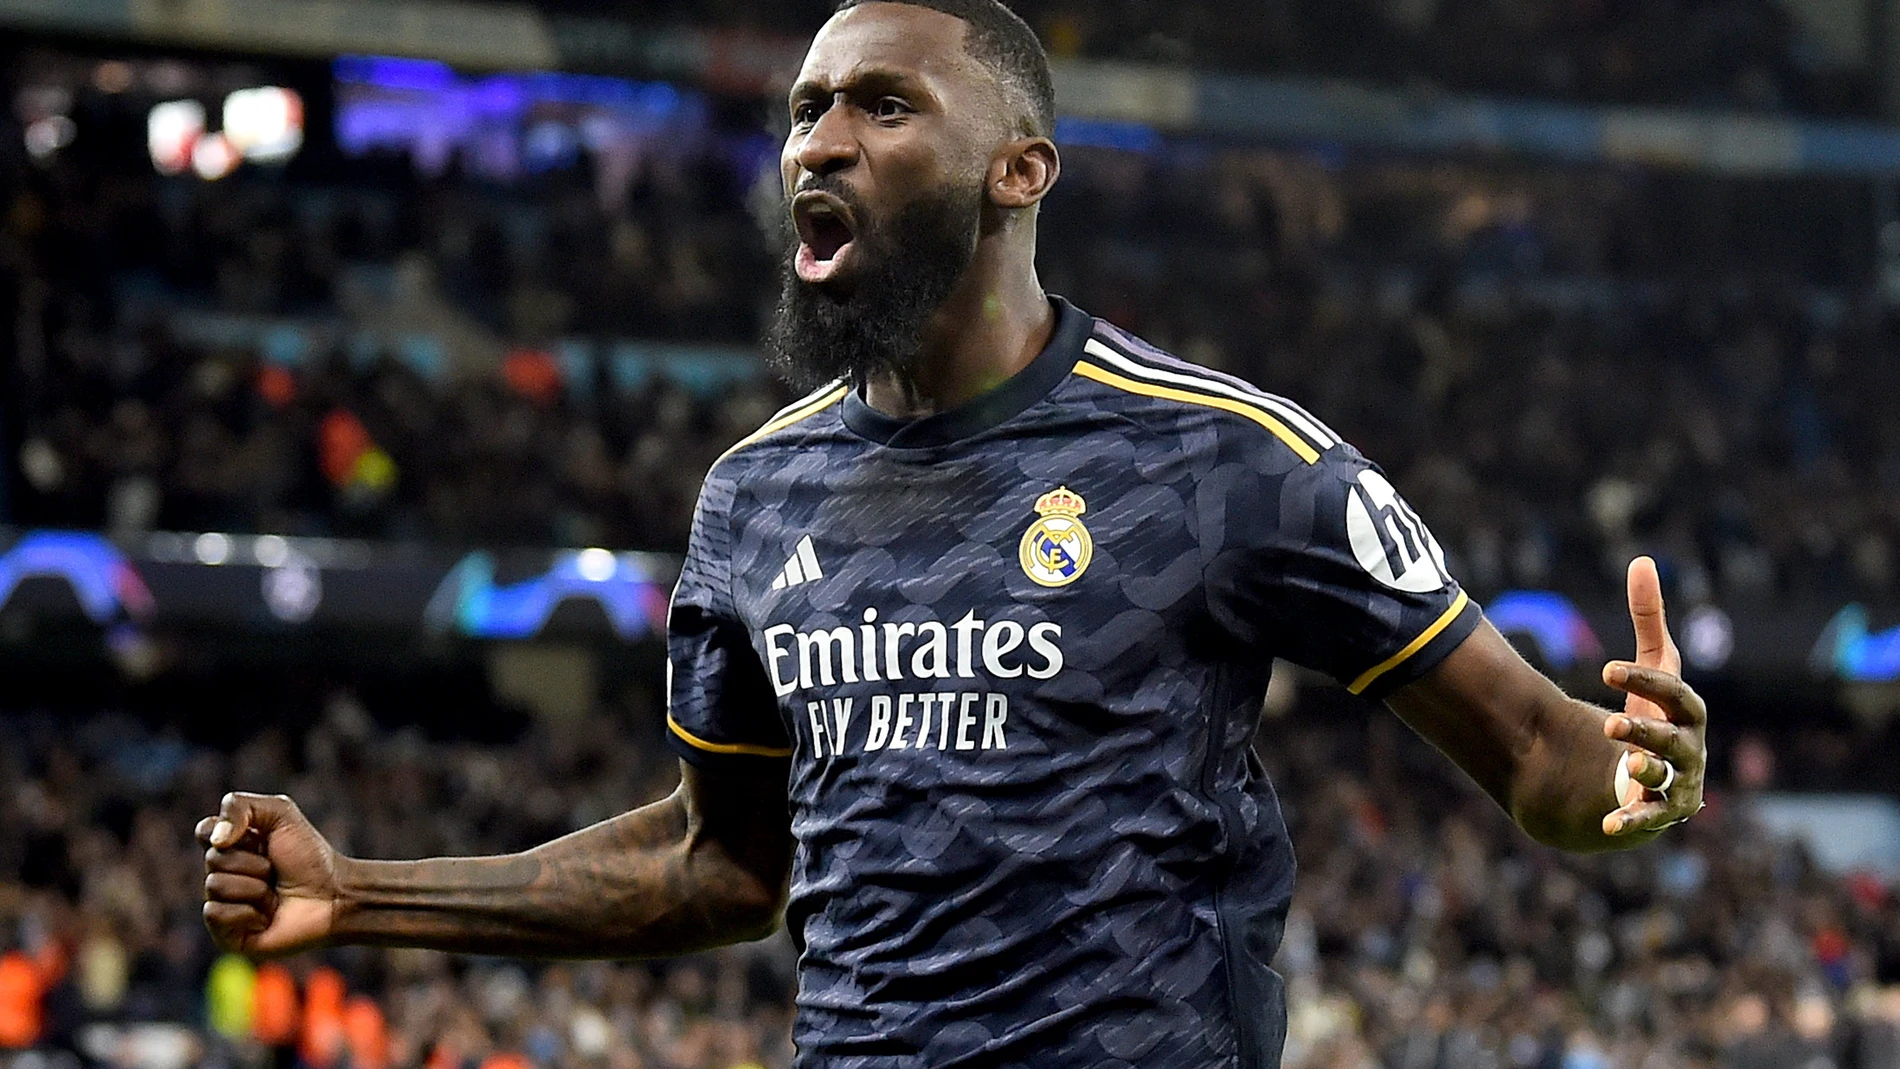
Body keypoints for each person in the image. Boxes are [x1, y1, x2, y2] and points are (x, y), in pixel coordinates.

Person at [197, 1, 1711, 1065]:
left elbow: (1539, 758)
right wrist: (364, 895)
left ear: (1019, 171)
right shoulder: (753, 500)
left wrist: (1638, 771)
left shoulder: (1227, 459)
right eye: (804, 109)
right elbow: (719, 868)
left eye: (882, 104)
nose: (820, 140)